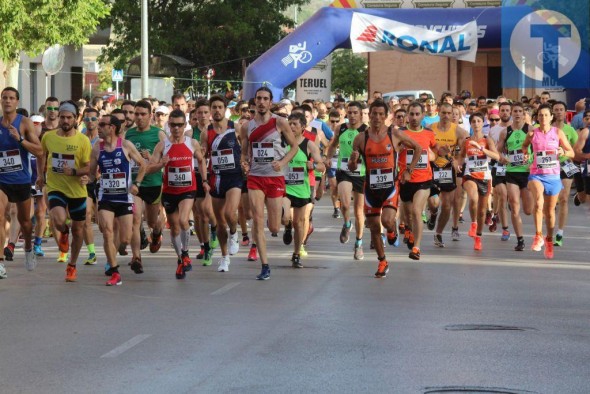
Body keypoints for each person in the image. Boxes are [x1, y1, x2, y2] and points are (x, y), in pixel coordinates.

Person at [348, 99, 421, 278]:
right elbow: (352, 167)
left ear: (387, 116)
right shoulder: (360, 138)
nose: (377, 118)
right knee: (373, 226)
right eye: (374, 114)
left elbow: (418, 148)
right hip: (371, 188)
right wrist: (353, 160)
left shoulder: (394, 134)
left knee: (387, 221)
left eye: (381, 114)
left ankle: (392, 229)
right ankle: (382, 261)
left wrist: (408, 170)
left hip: (390, 186)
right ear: (369, 115)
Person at [239, 86, 299, 281]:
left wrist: (282, 162)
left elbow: (295, 147)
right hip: (255, 177)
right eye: (259, 98)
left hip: (275, 178)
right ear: (255, 101)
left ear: (271, 102)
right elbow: (244, 151)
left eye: (265, 99)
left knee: (274, 227)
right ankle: (265, 265)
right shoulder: (247, 126)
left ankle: (285, 222)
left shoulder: (280, 122)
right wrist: (244, 162)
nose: (262, 102)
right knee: (256, 219)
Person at [87, 115, 147, 286]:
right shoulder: (97, 149)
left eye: (102, 125)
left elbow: (143, 164)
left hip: (124, 198)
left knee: (126, 239)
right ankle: (114, 271)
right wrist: (87, 179)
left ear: (112, 127)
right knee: (107, 232)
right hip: (105, 196)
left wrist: (137, 183)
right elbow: (92, 173)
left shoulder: (126, 146)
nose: (98, 127)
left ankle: (121, 249)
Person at [36, 101, 91, 282]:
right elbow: (41, 155)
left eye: (69, 117)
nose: (65, 120)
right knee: (58, 219)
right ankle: (63, 232)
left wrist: (75, 172)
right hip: (56, 186)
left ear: (76, 119)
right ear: (58, 117)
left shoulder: (82, 140)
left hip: (77, 190)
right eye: (63, 117)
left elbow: (88, 167)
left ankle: (72, 265)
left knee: (78, 230)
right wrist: (40, 175)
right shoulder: (48, 137)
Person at [150, 109, 208, 279]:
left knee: (183, 220)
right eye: (173, 125)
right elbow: (150, 167)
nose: (176, 128)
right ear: (169, 125)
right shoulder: (162, 145)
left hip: (188, 189)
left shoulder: (192, 143)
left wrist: (204, 180)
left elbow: (201, 160)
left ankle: (185, 252)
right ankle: (181, 258)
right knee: (174, 227)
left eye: (180, 125)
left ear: (185, 125)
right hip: (169, 191)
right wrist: (161, 163)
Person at [522, 104, 574, 259]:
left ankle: (549, 240)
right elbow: (525, 146)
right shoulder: (532, 133)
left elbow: (571, 152)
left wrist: (563, 151)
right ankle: (538, 235)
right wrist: (525, 153)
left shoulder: (557, 133)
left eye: (546, 115)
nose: (543, 118)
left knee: (550, 212)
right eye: (540, 115)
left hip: (553, 176)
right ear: (537, 117)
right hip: (536, 174)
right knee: (538, 202)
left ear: (551, 117)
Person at [397, 101, 448, 260]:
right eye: (411, 114)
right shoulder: (400, 133)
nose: (414, 117)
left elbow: (436, 148)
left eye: (417, 114)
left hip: (424, 180)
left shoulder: (428, 133)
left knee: (416, 211)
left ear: (423, 116)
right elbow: (392, 150)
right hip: (405, 180)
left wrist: (442, 151)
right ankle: (410, 232)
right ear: (407, 115)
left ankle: (417, 248)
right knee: (408, 215)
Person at [0, 87, 43, 273]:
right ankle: (0, 261)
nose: (7, 101)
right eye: (4, 98)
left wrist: (19, 140)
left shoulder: (24, 123)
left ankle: (27, 249)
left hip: (21, 180)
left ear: (17, 102)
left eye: (11, 98)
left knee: (26, 222)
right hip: (2, 180)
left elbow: (40, 151)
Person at [201, 96, 242, 272]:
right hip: (216, 178)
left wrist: (246, 160)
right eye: (214, 107)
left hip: (234, 177)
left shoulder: (235, 128)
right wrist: (203, 179)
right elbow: (203, 157)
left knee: (229, 212)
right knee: (219, 222)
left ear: (225, 109)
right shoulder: (206, 132)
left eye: (220, 107)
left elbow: (245, 147)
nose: (217, 110)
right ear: (210, 111)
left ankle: (235, 233)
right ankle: (224, 257)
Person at [125, 100, 167, 274]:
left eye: (143, 114)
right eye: (137, 114)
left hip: (153, 184)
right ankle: (136, 257)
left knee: (151, 222)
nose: (139, 117)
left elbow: (166, 160)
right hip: (134, 185)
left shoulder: (159, 134)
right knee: (135, 218)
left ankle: (157, 233)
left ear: (151, 116)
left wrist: (151, 161)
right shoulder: (129, 134)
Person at [324, 101, 367, 260]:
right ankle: (347, 223)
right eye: (350, 112)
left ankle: (358, 243)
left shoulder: (365, 130)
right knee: (345, 202)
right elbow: (333, 145)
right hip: (344, 171)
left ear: (361, 114)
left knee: (359, 210)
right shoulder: (340, 128)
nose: (352, 115)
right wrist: (328, 158)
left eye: (355, 112)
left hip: (361, 172)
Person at [282, 112, 325, 267]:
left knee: (299, 224)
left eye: (295, 124)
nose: (291, 127)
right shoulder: (282, 142)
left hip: (301, 189)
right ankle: (287, 226)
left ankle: (296, 254)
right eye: (290, 123)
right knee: (285, 217)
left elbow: (322, 165)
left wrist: (313, 165)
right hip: (285, 188)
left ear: (303, 127)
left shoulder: (309, 144)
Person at [428, 102, 468, 247]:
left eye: (448, 113)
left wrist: (458, 161)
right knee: (433, 203)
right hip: (432, 168)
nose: (445, 116)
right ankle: (432, 214)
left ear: (452, 115)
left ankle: (438, 234)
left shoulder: (458, 131)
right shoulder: (430, 129)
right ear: (439, 113)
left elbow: (464, 150)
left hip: (447, 169)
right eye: (443, 113)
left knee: (446, 206)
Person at [458, 112, 500, 251]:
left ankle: (478, 237)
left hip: (485, 177)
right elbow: (461, 156)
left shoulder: (488, 140)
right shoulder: (467, 141)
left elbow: (496, 156)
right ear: (470, 124)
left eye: (478, 121)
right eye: (473, 121)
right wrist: (457, 164)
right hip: (470, 175)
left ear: (483, 123)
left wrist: (482, 149)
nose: (476, 124)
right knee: (473, 197)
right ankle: (473, 224)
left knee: (482, 211)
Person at [496, 103, 533, 251]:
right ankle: (520, 240)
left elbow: (537, 149)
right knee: (515, 206)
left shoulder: (530, 130)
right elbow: (497, 150)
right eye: (515, 111)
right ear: (511, 114)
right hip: (511, 172)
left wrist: (533, 161)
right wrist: (501, 157)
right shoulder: (505, 132)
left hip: (527, 172)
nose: (517, 114)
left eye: (520, 111)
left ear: (524, 114)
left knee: (528, 210)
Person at [186, 101, 218, 265]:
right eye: (200, 112)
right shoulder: (189, 134)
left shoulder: (215, 131)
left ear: (210, 114)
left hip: (210, 174)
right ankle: (204, 247)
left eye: (206, 112)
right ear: (195, 115)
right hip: (193, 175)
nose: (203, 115)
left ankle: (214, 229)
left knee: (206, 211)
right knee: (198, 214)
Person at [552, 101, 579, 246]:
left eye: (561, 109)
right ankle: (548, 229)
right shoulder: (544, 129)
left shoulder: (570, 130)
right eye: (556, 110)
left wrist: (566, 153)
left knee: (563, 198)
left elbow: (575, 151)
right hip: (548, 167)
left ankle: (560, 233)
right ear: (552, 112)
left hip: (565, 166)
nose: (559, 112)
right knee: (550, 201)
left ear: (565, 112)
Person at [81, 107, 101, 266]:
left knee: (103, 223)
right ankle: (92, 252)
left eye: (93, 119)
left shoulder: (103, 139)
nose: (90, 122)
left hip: (102, 183)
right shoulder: (79, 137)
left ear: (98, 120)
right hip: (86, 182)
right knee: (86, 216)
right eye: (87, 119)